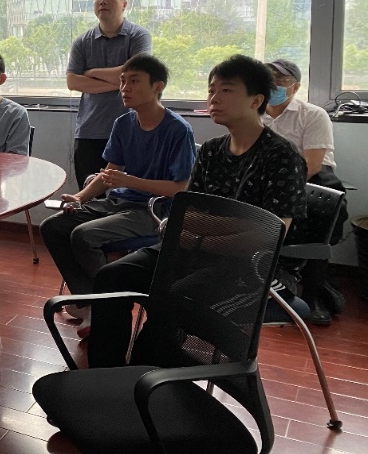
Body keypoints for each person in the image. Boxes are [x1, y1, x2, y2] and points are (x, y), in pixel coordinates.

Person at [87, 55, 306, 369]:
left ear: (256, 100)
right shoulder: (212, 150)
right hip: (190, 250)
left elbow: (268, 235)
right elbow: (188, 213)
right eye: (211, 90)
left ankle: (149, 380)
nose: (214, 98)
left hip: (250, 268)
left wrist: (202, 236)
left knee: (174, 299)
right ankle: (105, 373)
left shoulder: (282, 156)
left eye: (226, 90)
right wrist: (221, 227)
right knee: (113, 276)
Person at [41, 55, 195, 335]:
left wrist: (130, 181)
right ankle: (91, 300)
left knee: (84, 235)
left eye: (134, 81)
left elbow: (179, 189)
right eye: (123, 81)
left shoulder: (178, 130)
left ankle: (108, 303)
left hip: (154, 211)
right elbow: (110, 173)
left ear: (157, 86)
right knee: (53, 226)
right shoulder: (124, 123)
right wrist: (80, 197)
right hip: (118, 202)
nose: (125, 88)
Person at [263, 58, 347, 325]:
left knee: (315, 227)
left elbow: (312, 165)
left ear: (296, 87)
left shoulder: (312, 114)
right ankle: (273, 285)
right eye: (269, 78)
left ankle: (314, 293)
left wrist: (277, 192)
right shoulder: (255, 113)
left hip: (313, 183)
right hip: (270, 183)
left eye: (281, 79)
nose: (274, 84)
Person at [66, 0, 152, 188]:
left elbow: (138, 74)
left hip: (131, 130)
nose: (103, 1)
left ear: (124, 4)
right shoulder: (82, 42)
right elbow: (72, 81)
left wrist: (91, 73)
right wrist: (121, 80)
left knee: (126, 195)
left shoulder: (139, 36)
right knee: (89, 194)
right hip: (89, 131)